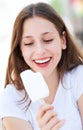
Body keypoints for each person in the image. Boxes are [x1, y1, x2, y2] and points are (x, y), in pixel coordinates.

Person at [0, 2, 83, 130]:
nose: (40, 51)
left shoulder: (78, 77)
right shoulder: (11, 99)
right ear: (20, 50)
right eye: (28, 43)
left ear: (63, 40)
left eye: (48, 40)